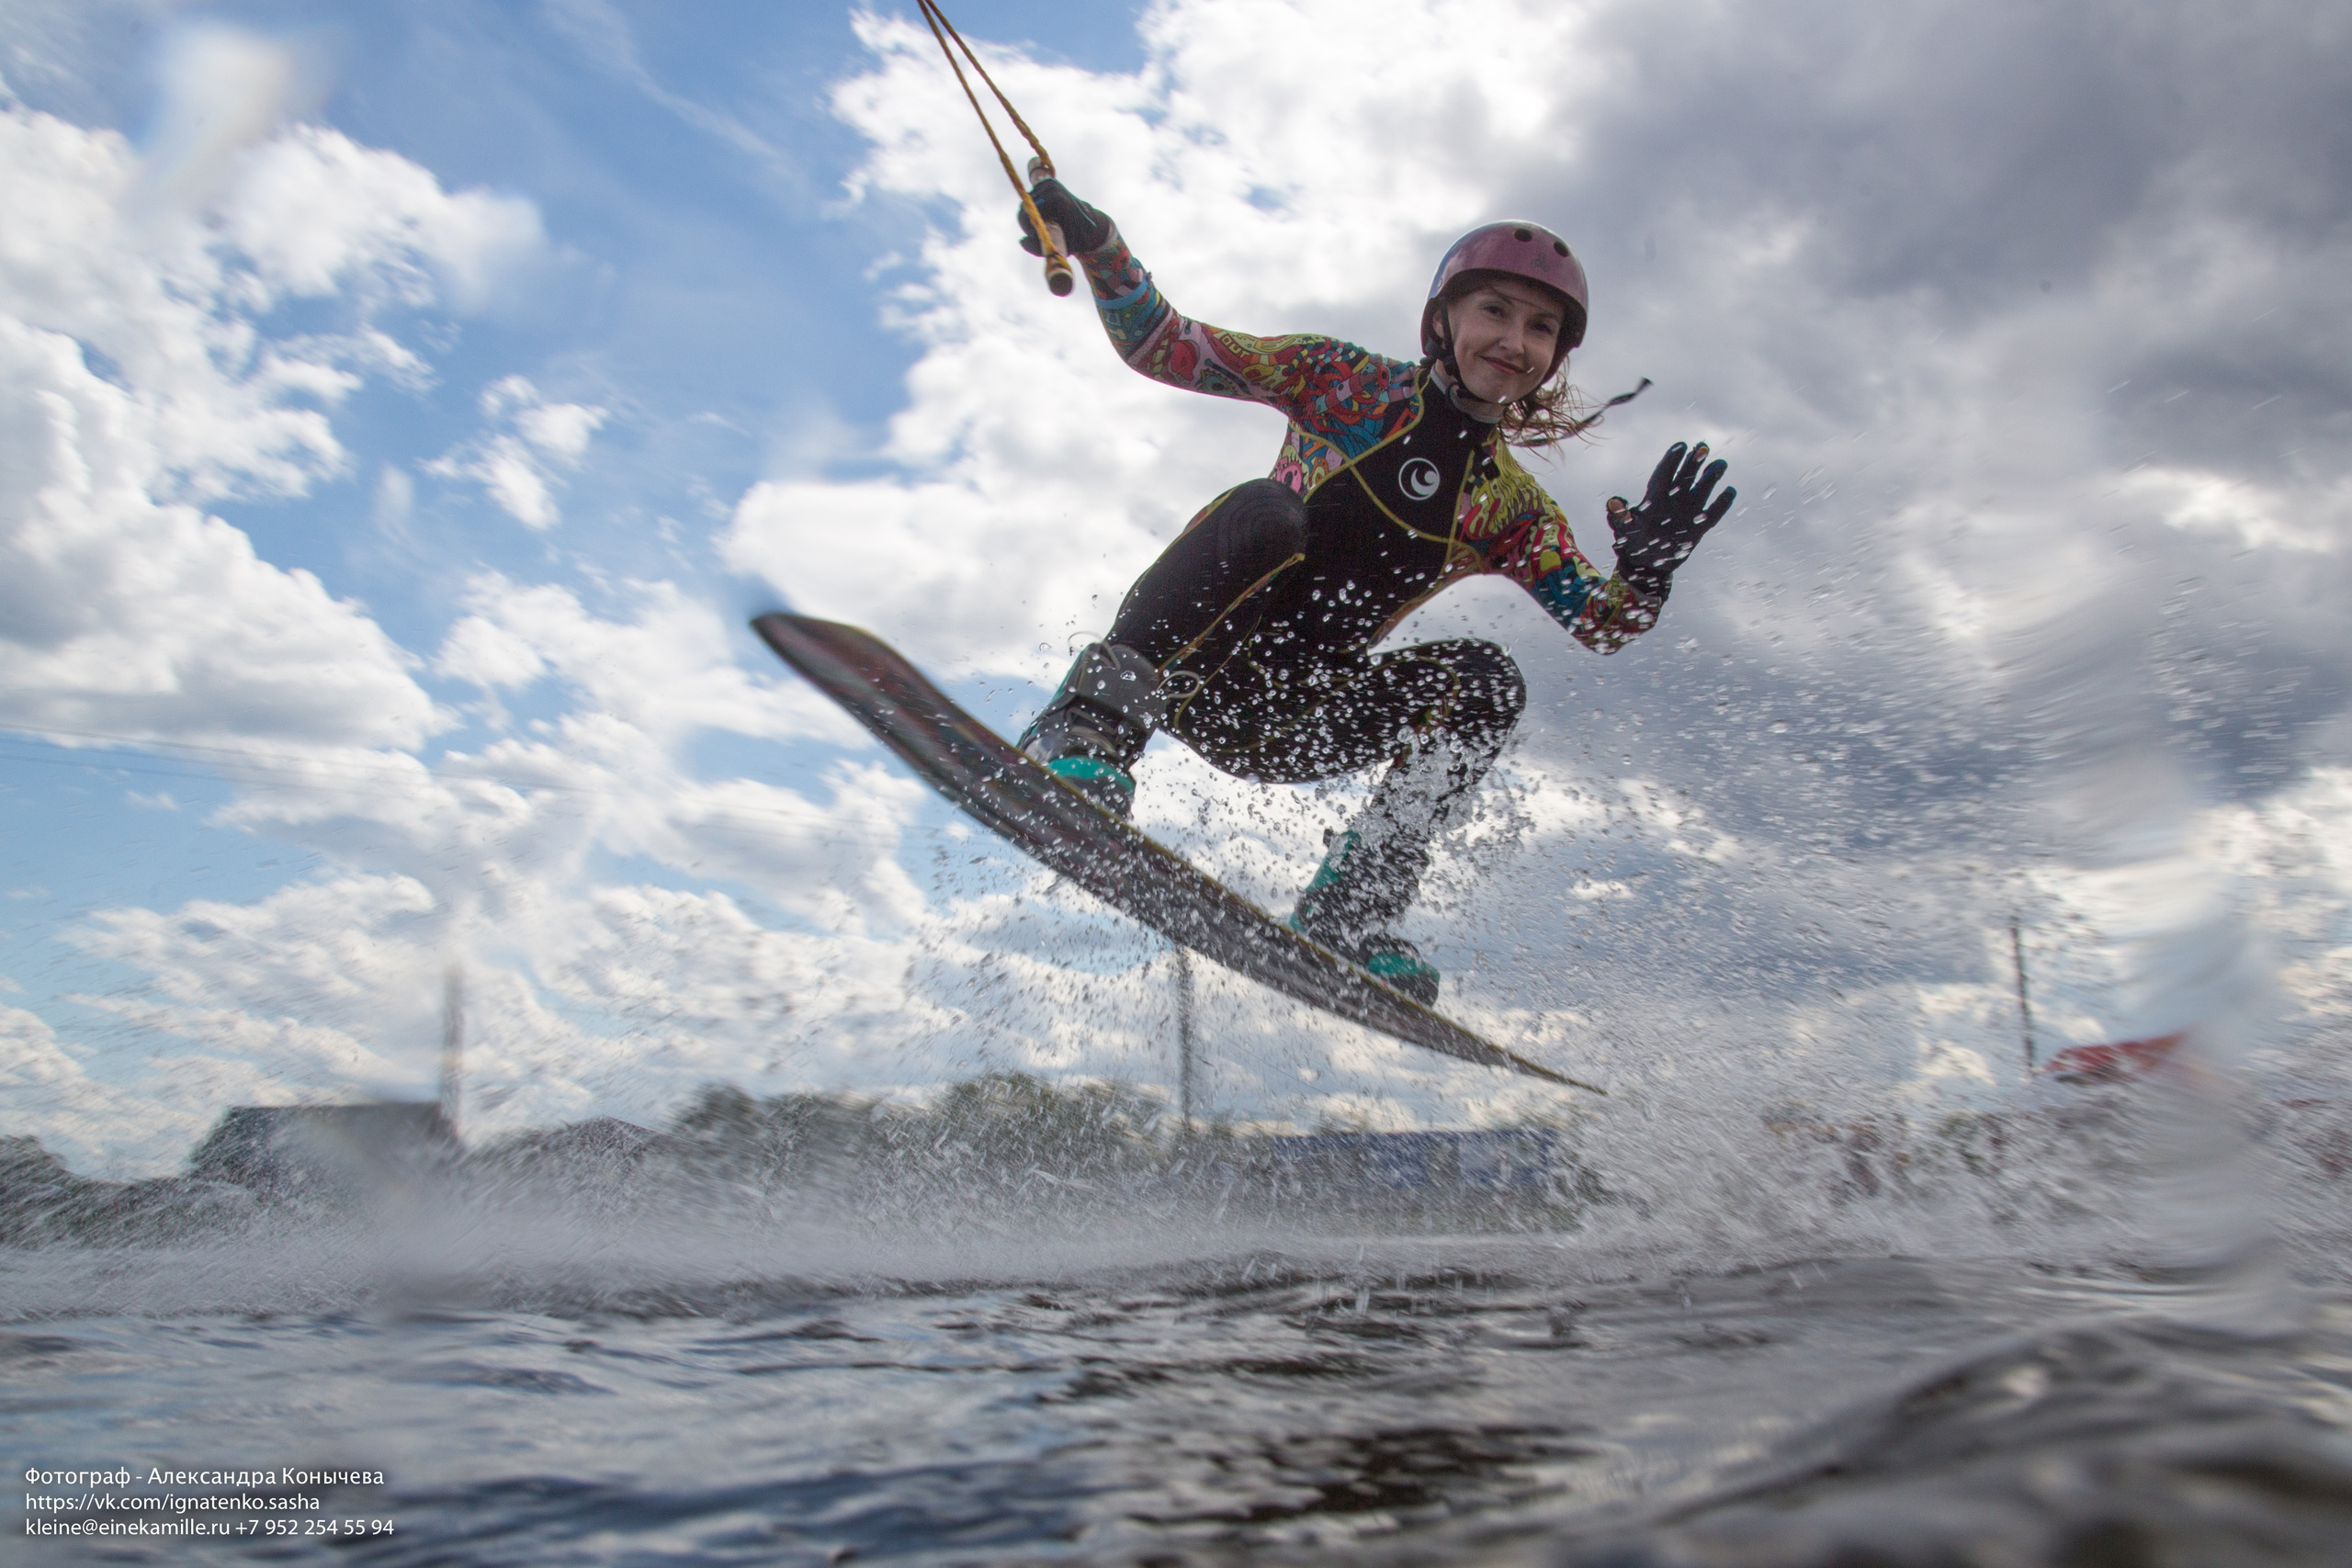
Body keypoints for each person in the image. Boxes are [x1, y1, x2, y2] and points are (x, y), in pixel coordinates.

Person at [1013, 180, 1734, 1004]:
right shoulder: (1340, 381)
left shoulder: (1508, 503)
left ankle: (1349, 911)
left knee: (1490, 681)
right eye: (1495, 311)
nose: (1515, 341)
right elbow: (1163, 345)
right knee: (1267, 510)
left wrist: (1648, 570)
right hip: (1189, 666)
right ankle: (1084, 733)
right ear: (1444, 320)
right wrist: (1099, 244)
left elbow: (1605, 624)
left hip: (1292, 725)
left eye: (1541, 329)